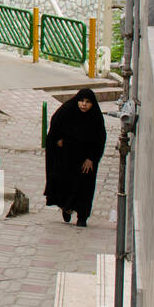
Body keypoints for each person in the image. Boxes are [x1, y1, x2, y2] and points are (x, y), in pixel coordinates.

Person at [43, 88, 107, 226]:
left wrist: (92, 158)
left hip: (86, 161)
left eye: (88, 102)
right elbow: (55, 127)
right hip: (68, 157)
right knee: (66, 184)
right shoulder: (67, 110)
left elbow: (100, 139)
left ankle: (82, 216)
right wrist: (57, 140)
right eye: (81, 101)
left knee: (85, 188)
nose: (84, 104)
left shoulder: (95, 118)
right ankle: (66, 208)